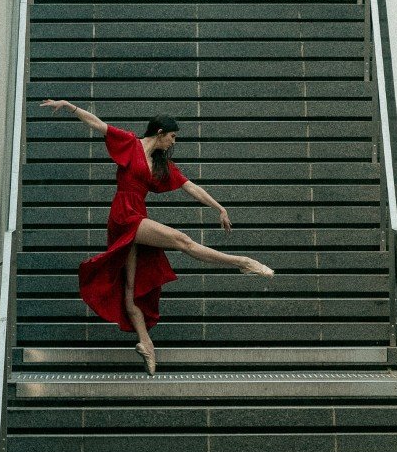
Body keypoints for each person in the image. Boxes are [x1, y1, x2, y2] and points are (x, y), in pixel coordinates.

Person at [40, 99, 273, 375]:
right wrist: (69, 106)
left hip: (136, 215)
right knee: (182, 240)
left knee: (131, 290)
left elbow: (191, 187)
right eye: (172, 137)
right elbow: (98, 125)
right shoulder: (130, 143)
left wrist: (219, 207)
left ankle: (146, 344)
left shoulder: (162, 166)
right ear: (160, 131)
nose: (173, 143)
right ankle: (242, 262)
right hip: (124, 215)